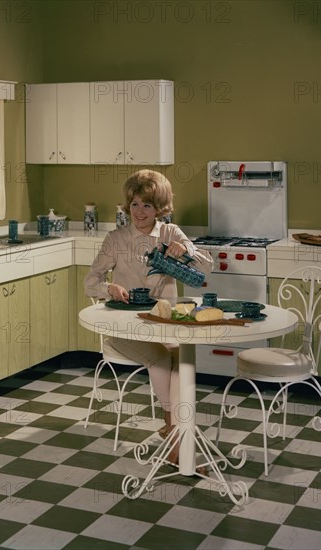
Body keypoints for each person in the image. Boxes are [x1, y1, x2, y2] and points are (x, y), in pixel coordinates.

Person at [84, 169, 213, 466]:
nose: (139, 212)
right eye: (134, 205)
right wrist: (109, 288)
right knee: (163, 357)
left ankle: (175, 434)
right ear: (127, 205)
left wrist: (187, 250)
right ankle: (177, 434)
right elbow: (90, 282)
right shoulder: (116, 238)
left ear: (160, 209)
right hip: (126, 328)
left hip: (165, 325)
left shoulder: (170, 233)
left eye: (147, 206)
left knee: (182, 357)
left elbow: (207, 269)